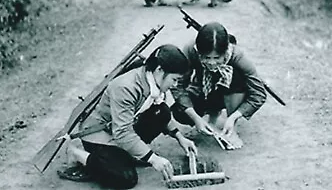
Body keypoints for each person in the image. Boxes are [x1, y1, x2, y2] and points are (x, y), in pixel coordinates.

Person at [61, 44, 197, 189]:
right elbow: (122, 133)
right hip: (100, 134)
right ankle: (77, 153)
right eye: (174, 79)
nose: (175, 85)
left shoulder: (151, 80)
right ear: (159, 70)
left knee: (162, 112)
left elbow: (159, 112)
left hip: (120, 127)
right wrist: (153, 158)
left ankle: (129, 154)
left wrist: (180, 137)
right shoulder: (126, 87)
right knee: (125, 178)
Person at [171, 22, 267, 144]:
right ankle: (212, 117)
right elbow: (178, 85)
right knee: (180, 112)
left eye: (217, 58)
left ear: (225, 51)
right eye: (206, 58)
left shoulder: (237, 56)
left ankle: (232, 129)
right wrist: (195, 117)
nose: (211, 63)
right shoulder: (190, 51)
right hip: (204, 92)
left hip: (231, 93)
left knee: (235, 76)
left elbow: (259, 94)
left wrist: (234, 117)